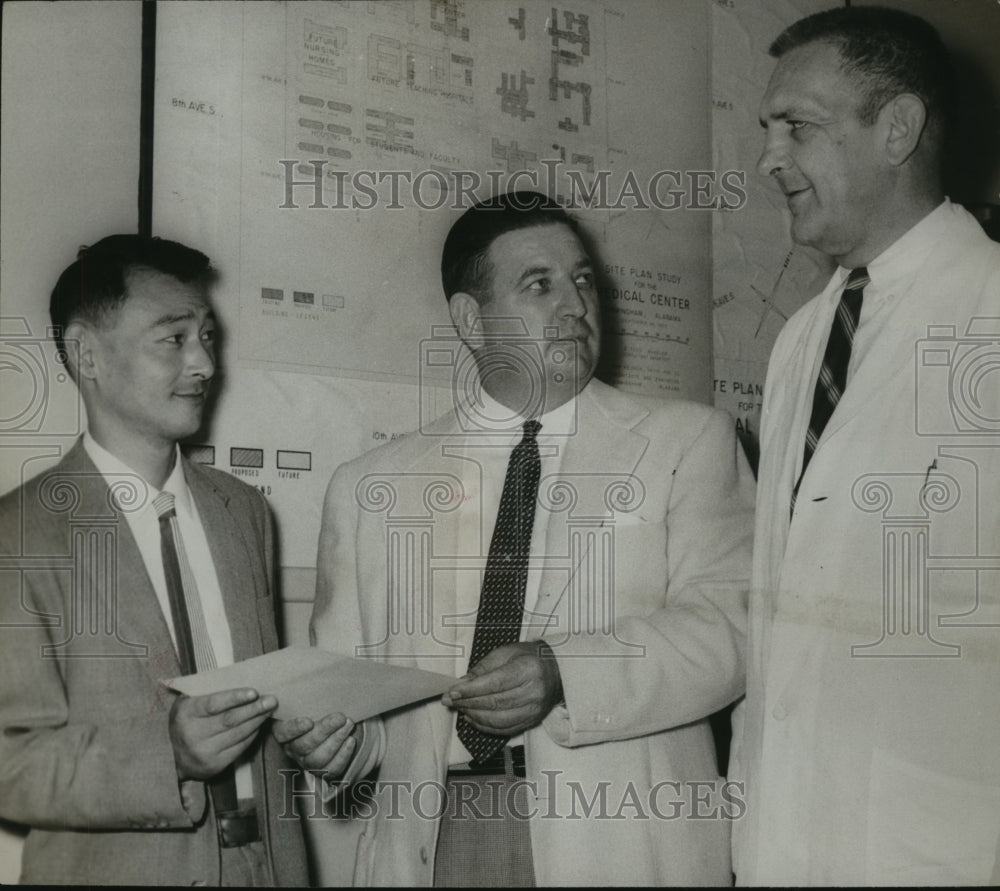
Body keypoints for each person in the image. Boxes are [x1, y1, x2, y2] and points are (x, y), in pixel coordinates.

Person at [275, 192, 755, 886]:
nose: (576, 306)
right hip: (437, 840)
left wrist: (566, 671)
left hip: (619, 841)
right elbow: (358, 701)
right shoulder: (370, 484)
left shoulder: (689, 442)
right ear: (472, 319)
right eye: (540, 284)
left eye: (583, 280)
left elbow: (734, 626)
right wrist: (333, 742)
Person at [732, 6, 1000, 885]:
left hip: (949, 844)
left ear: (898, 128)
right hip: (786, 834)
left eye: (797, 127)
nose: (771, 157)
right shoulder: (801, 339)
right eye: (767, 130)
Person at [0, 235, 307, 885]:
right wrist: (165, 755)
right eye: (173, 338)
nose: (204, 363)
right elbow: (10, 764)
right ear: (88, 354)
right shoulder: (19, 532)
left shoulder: (244, 511)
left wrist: (315, 732)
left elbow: (265, 708)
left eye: (207, 335)